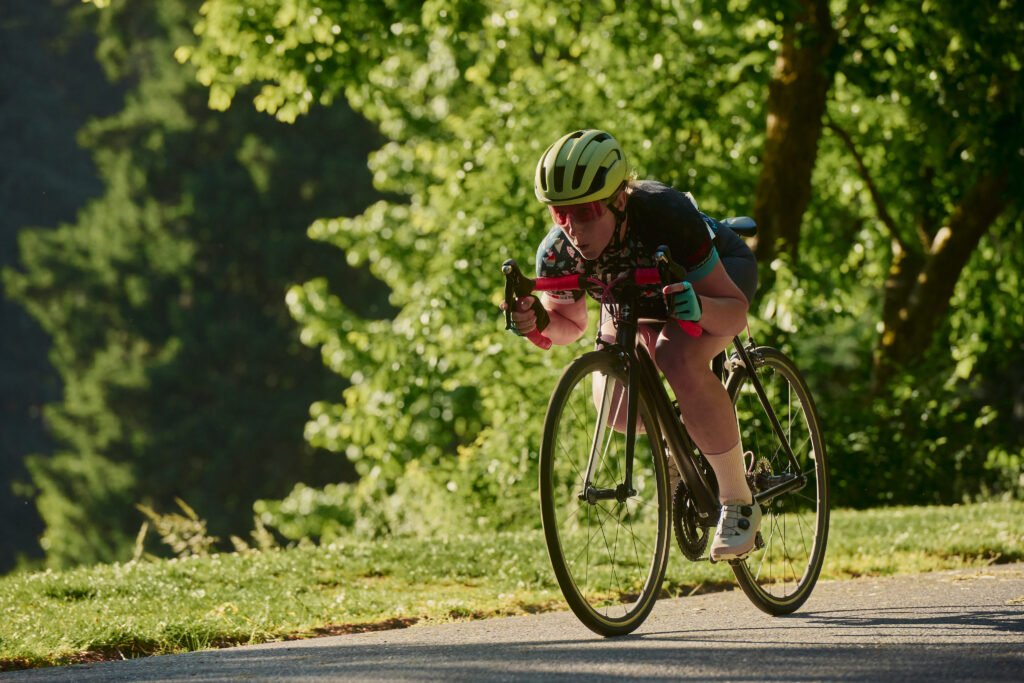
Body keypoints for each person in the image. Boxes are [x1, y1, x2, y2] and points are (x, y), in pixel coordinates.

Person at [507, 129, 761, 561]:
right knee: (617, 408)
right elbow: (569, 324)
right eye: (559, 214)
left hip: (711, 285)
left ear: (618, 201)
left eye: (586, 212)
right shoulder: (557, 253)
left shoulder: (666, 216)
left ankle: (738, 502)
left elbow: (734, 312)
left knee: (675, 356)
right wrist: (539, 321)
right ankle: (685, 449)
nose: (573, 229)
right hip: (633, 299)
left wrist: (696, 306)